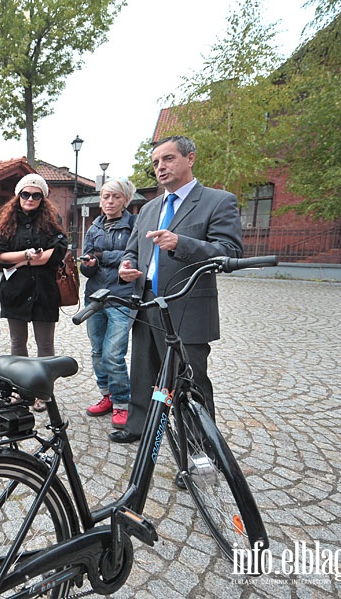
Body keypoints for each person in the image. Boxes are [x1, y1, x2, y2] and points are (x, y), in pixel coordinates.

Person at [114, 135, 242, 444]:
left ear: (190, 158)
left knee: (190, 382)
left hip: (188, 308)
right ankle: (140, 429)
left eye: (168, 159)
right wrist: (126, 266)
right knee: (144, 373)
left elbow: (230, 252)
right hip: (146, 304)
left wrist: (181, 243)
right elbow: (133, 250)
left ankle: (199, 449)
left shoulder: (217, 200)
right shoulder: (149, 208)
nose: (160, 167)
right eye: (156, 162)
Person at [80, 178, 137, 430]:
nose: (109, 202)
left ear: (125, 200)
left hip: (121, 297)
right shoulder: (93, 228)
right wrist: (88, 264)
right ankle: (107, 395)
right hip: (95, 297)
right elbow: (86, 267)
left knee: (113, 354)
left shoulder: (134, 225)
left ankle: (122, 404)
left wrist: (102, 256)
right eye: (105, 197)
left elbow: (133, 256)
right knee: (97, 351)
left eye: (115, 197)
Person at [0, 174, 69, 359]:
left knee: (45, 345)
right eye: (25, 194)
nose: (30, 199)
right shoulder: (7, 223)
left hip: (44, 291)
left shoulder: (52, 221)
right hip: (15, 291)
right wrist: (28, 255)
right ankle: (21, 385)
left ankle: (43, 387)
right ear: (18, 195)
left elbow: (56, 252)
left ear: (43, 198)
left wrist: (18, 261)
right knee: (17, 344)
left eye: (36, 195)